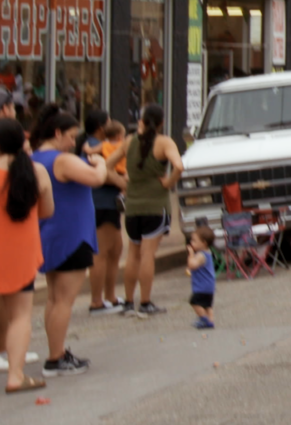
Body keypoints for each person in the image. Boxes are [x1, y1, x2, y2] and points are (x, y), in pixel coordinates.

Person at [33, 106, 104, 377]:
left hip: (51, 232)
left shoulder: (35, 157)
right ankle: (55, 357)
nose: (73, 143)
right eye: (71, 136)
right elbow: (96, 178)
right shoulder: (60, 159)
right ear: (57, 133)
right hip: (72, 234)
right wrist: (101, 161)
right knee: (64, 300)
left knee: (54, 298)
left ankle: (57, 351)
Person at [0, 117, 52, 392]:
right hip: (21, 252)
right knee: (20, 316)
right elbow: (47, 211)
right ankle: (16, 376)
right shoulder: (36, 172)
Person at [120, 104, 182, 318]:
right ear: (161, 122)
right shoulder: (164, 142)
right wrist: (169, 182)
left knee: (133, 254)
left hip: (133, 206)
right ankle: (145, 302)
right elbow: (179, 166)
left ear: (142, 121)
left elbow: (108, 164)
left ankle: (128, 301)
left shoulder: (129, 141)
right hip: (155, 206)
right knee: (148, 255)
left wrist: (123, 182)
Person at [86, 113, 126, 314]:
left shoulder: (98, 145)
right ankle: (97, 301)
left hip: (106, 203)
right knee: (103, 251)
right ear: (102, 127)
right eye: (109, 122)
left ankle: (109, 296)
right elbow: (102, 174)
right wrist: (123, 182)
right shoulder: (101, 147)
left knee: (116, 248)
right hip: (102, 203)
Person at [187, 223, 216, 330]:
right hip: (209, 286)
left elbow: (192, 265)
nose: (191, 243)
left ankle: (203, 318)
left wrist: (190, 254)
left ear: (203, 243)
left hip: (201, 287)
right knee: (207, 305)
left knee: (194, 302)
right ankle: (210, 321)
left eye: (194, 241)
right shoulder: (208, 253)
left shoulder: (200, 255)